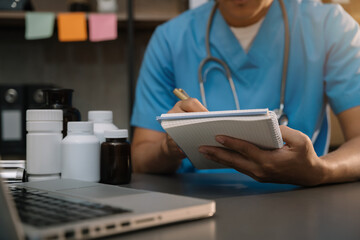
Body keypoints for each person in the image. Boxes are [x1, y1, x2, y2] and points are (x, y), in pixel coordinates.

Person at [130, 0, 360, 186]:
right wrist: (168, 148)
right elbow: (141, 157)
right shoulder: (171, 39)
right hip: (198, 201)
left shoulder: (330, 26)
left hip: (301, 197)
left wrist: (319, 171)